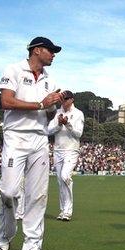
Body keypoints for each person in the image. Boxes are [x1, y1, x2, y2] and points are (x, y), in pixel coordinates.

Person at [0, 36, 64, 250]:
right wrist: (42, 104)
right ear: (37, 50)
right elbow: (6, 101)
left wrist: (54, 104)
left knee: (38, 196)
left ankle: (31, 248)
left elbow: (48, 111)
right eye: (50, 50)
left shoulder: (49, 79)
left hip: (40, 139)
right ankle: (5, 236)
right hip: (16, 137)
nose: (53, 54)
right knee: (8, 192)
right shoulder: (14, 69)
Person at [47, 90, 84, 221]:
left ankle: (68, 211)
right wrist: (59, 124)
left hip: (71, 150)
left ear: (72, 99)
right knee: (60, 181)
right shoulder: (57, 112)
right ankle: (63, 211)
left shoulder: (78, 113)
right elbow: (48, 130)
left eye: (66, 99)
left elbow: (78, 134)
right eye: (62, 99)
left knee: (65, 176)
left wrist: (67, 124)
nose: (64, 101)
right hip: (58, 151)